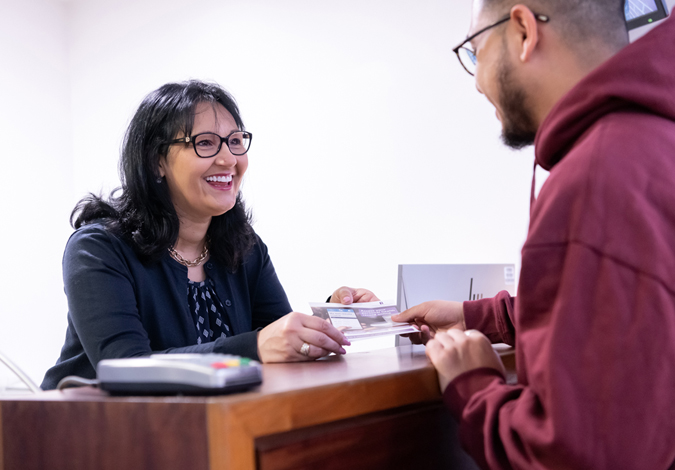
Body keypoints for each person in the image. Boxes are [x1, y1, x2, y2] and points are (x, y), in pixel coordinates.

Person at [393, 1, 675, 468]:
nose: (479, 82)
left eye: (475, 52)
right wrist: (478, 315)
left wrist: (473, 385)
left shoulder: (595, 180)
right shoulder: (651, 146)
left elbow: (569, 455)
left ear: (524, 30)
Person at [42, 80, 376, 390]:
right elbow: (123, 367)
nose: (229, 159)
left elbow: (278, 342)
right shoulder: (98, 248)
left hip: (207, 428)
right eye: (204, 143)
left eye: (234, 141)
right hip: (94, 435)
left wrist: (328, 322)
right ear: (157, 161)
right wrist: (255, 346)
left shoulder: (244, 246)